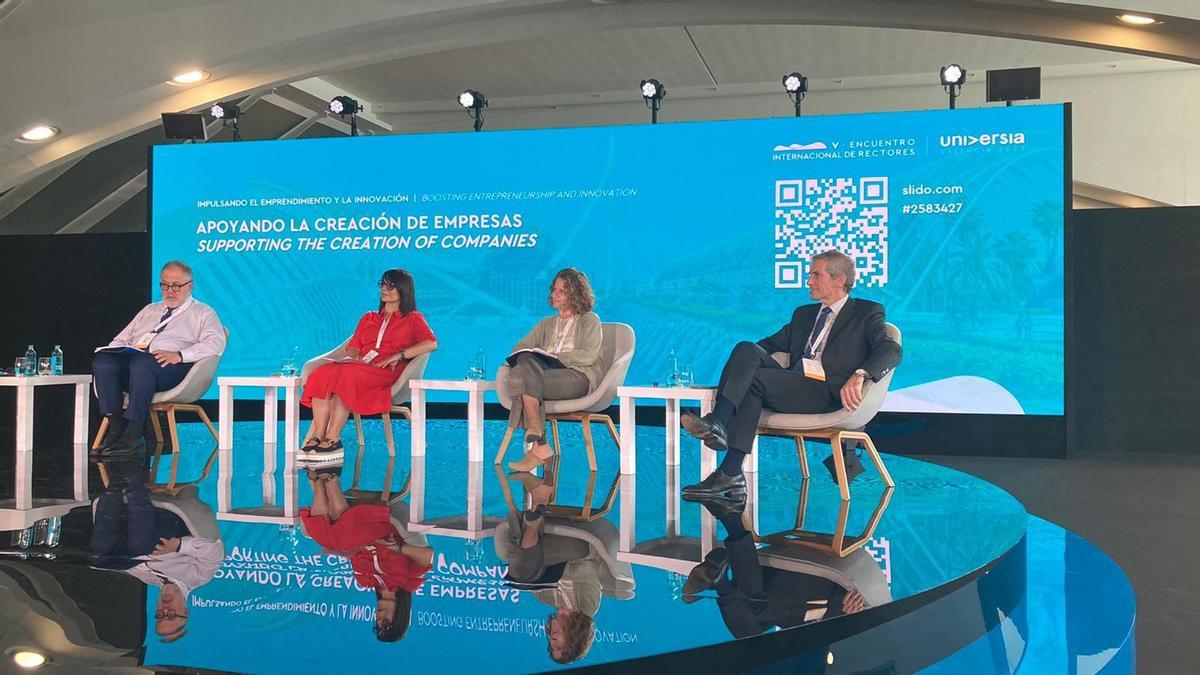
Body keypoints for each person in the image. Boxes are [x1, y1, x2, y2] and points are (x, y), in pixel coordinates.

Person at [679, 249, 901, 498]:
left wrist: (860, 374)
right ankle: (722, 441)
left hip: (825, 392)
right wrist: (738, 369)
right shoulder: (804, 314)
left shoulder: (866, 312)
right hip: (791, 384)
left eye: (816, 275)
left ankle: (728, 464)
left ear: (840, 280)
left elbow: (891, 349)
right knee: (745, 349)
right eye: (810, 275)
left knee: (754, 381)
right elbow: (768, 345)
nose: (809, 281)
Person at [93, 260, 226, 457]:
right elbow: (121, 338)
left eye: (176, 286)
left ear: (190, 286)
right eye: (165, 285)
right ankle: (116, 428)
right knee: (103, 362)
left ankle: (134, 434)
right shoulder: (150, 310)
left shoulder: (203, 312)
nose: (170, 291)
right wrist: (115, 351)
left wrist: (180, 355)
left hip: (172, 369)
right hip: (136, 363)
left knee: (143, 363)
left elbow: (216, 344)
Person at [300, 269, 437, 460]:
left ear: (403, 290)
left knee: (343, 376)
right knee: (322, 372)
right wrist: (355, 357)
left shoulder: (413, 318)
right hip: (360, 367)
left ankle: (333, 438)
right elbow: (353, 346)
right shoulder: (369, 317)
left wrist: (399, 355)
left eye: (390, 286)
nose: (384, 289)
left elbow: (431, 343)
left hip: (386, 374)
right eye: (382, 284)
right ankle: (318, 437)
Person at [682, 499, 869, 639]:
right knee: (755, 599)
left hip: (799, 611)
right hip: (822, 586)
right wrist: (851, 616)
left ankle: (721, 576)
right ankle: (722, 577)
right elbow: (867, 596)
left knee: (749, 634)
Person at [89, 458, 224, 643]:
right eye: (172, 615)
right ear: (185, 611)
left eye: (160, 614)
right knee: (141, 547)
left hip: (134, 523)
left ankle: (118, 477)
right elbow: (214, 550)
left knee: (100, 558)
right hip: (170, 524)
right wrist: (178, 546)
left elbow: (124, 564)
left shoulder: (147, 578)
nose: (165, 610)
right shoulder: (198, 577)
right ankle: (129, 473)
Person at [300, 466, 434, 642]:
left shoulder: (365, 581)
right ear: (400, 618)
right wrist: (400, 549)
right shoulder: (409, 581)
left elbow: (354, 551)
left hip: (355, 530)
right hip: (382, 525)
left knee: (331, 541)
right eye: (386, 624)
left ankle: (320, 481)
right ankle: (328, 479)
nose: (379, 619)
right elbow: (427, 556)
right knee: (340, 540)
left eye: (376, 624)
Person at [504, 268, 603, 472]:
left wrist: (555, 358)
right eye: (554, 290)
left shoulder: (590, 320)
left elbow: (589, 355)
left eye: (561, 291)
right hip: (544, 376)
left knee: (520, 380)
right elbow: (519, 348)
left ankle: (539, 444)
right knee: (524, 360)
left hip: (577, 376)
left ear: (575, 294)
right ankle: (539, 438)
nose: (554, 295)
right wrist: (538, 357)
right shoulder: (545, 324)